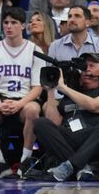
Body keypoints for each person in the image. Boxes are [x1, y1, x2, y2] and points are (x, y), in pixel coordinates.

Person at [0, 7, 44, 179]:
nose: (9, 26)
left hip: (24, 101)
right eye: (6, 22)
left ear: (22, 26)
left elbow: (38, 87)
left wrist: (20, 104)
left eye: (14, 22)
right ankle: (0, 162)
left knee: (33, 110)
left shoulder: (35, 50)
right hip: (2, 101)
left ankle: (25, 161)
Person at [36, 53, 99, 181]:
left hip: (92, 140)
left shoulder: (68, 90)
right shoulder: (72, 90)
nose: (87, 69)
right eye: (84, 66)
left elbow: (94, 106)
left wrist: (63, 88)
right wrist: (51, 89)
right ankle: (80, 167)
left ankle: (70, 165)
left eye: (92, 65)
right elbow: (54, 121)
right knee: (40, 123)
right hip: (69, 138)